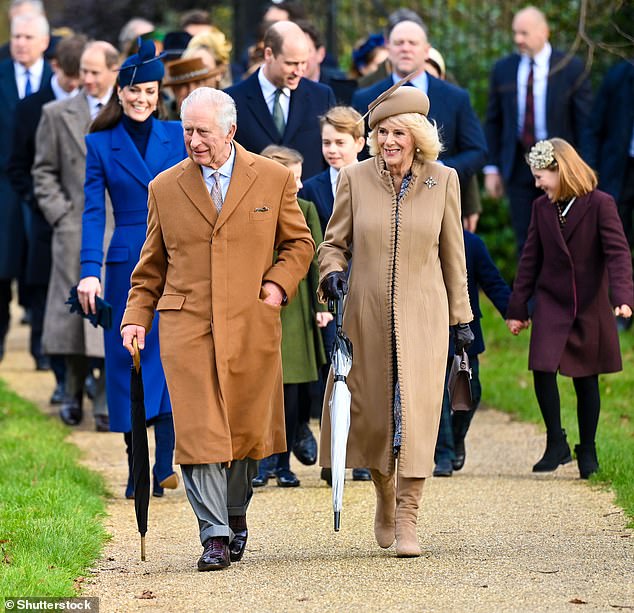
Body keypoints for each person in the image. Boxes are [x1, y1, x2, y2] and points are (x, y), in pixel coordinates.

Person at [120, 87, 314, 571]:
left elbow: (299, 244)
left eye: (203, 131)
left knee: (246, 433)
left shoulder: (271, 178)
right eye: (187, 130)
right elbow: (150, 267)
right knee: (199, 429)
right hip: (187, 324)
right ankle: (213, 534)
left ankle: (233, 512)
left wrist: (276, 287)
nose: (194, 140)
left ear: (230, 131)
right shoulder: (164, 187)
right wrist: (135, 319)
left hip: (251, 322)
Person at [318, 85, 473, 557]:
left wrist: (461, 320)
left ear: (418, 136)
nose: (387, 141)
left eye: (397, 133)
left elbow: (454, 257)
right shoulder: (354, 178)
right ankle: (384, 494)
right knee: (375, 415)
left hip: (425, 317)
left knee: (420, 418)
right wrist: (333, 275)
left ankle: (408, 516)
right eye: (381, 131)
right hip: (365, 315)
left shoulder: (443, 180)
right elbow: (332, 244)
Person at [77, 39, 186, 498]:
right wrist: (89, 269)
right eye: (134, 91)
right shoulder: (100, 143)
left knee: (170, 356)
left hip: (176, 257)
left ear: (159, 94)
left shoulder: (179, 134)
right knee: (129, 358)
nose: (142, 99)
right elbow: (92, 212)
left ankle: (164, 462)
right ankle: (135, 466)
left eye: (150, 91)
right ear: (118, 92)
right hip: (125, 262)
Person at [506, 138, 633, 479]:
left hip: (588, 303)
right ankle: (555, 442)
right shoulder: (541, 208)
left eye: (540, 177)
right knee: (543, 369)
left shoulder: (600, 204)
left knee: (585, 379)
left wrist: (622, 295)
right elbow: (530, 259)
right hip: (551, 301)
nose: (536, 184)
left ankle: (587, 448)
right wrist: (518, 308)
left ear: (559, 170)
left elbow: (618, 253)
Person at [33, 40, 119, 430]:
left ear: (113, 72)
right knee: (74, 315)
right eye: (83, 71)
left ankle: (103, 394)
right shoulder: (55, 113)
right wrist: (61, 214)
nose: (86, 78)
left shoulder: (126, 113)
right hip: (74, 227)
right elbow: (43, 171)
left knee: (112, 312)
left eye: (94, 71)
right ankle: (71, 388)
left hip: (118, 226)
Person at [8, 34, 85, 402]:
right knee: (44, 296)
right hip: (46, 219)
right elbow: (21, 165)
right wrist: (48, 207)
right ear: (56, 67)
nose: (74, 86)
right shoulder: (31, 108)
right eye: (70, 78)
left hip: (86, 220)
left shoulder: (97, 107)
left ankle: (81, 376)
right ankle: (55, 371)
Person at [298, 105, 370, 483]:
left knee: (363, 371)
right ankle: (332, 458)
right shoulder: (309, 188)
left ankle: (358, 452)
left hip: (367, 286)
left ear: (359, 143)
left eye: (340, 142)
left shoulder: (373, 181)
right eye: (326, 142)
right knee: (333, 370)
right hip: (330, 291)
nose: (332, 149)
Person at [253, 145, 332, 488]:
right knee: (260, 389)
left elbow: (314, 258)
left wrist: (321, 306)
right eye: (293, 179)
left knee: (292, 390)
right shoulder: (249, 208)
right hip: (258, 306)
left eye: (300, 178)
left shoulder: (307, 208)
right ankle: (261, 462)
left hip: (296, 309)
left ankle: (284, 462)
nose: (299, 186)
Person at [484, 6, 592, 255]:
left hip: (561, 166)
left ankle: (563, 293)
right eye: (515, 33)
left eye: (524, 33)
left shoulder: (570, 67)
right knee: (527, 240)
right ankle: (531, 295)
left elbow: (585, 125)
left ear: (544, 32)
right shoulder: (504, 69)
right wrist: (492, 168)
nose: (517, 39)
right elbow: (494, 121)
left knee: (565, 238)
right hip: (520, 166)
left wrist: (582, 170)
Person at [352, 18, 487, 201]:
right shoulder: (365, 98)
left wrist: (439, 169)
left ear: (426, 50)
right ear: (388, 49)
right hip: (379, 200)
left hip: (440, 200)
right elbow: (357, 153)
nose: (405, 48)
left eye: (412, 43)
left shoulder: (456, 97)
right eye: (399, 43)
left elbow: (477, 151)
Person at [433, 230, 511, 476]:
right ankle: (443, 454)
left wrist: (513, 311)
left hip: (464, 332)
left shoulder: (472, 243)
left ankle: (456, 439)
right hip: (431, 326)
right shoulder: (424, 239)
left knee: (472, 390)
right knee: (438, 395)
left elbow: (493, 282)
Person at [0, 12, 51, 364]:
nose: (20, 43)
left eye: (28, 37)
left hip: (45, 188)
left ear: (45, 42)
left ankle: (41, 347)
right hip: (3, 189)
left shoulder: (58, 79)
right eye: (17, 36)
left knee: (41, 271)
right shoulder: (0, 75)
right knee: (2, 270)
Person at [224, 20, 336, 180]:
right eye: (291, 63)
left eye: (303, 63)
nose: (299, 71)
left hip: (308, 201)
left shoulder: (321, 96)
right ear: (269, 54)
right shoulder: (232, 100)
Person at [583, 60, 634, 331]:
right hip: (620, 170)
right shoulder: (618, 76)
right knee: (616, 242)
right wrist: (591, 171)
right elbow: (594, 126)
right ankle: (620, 309)